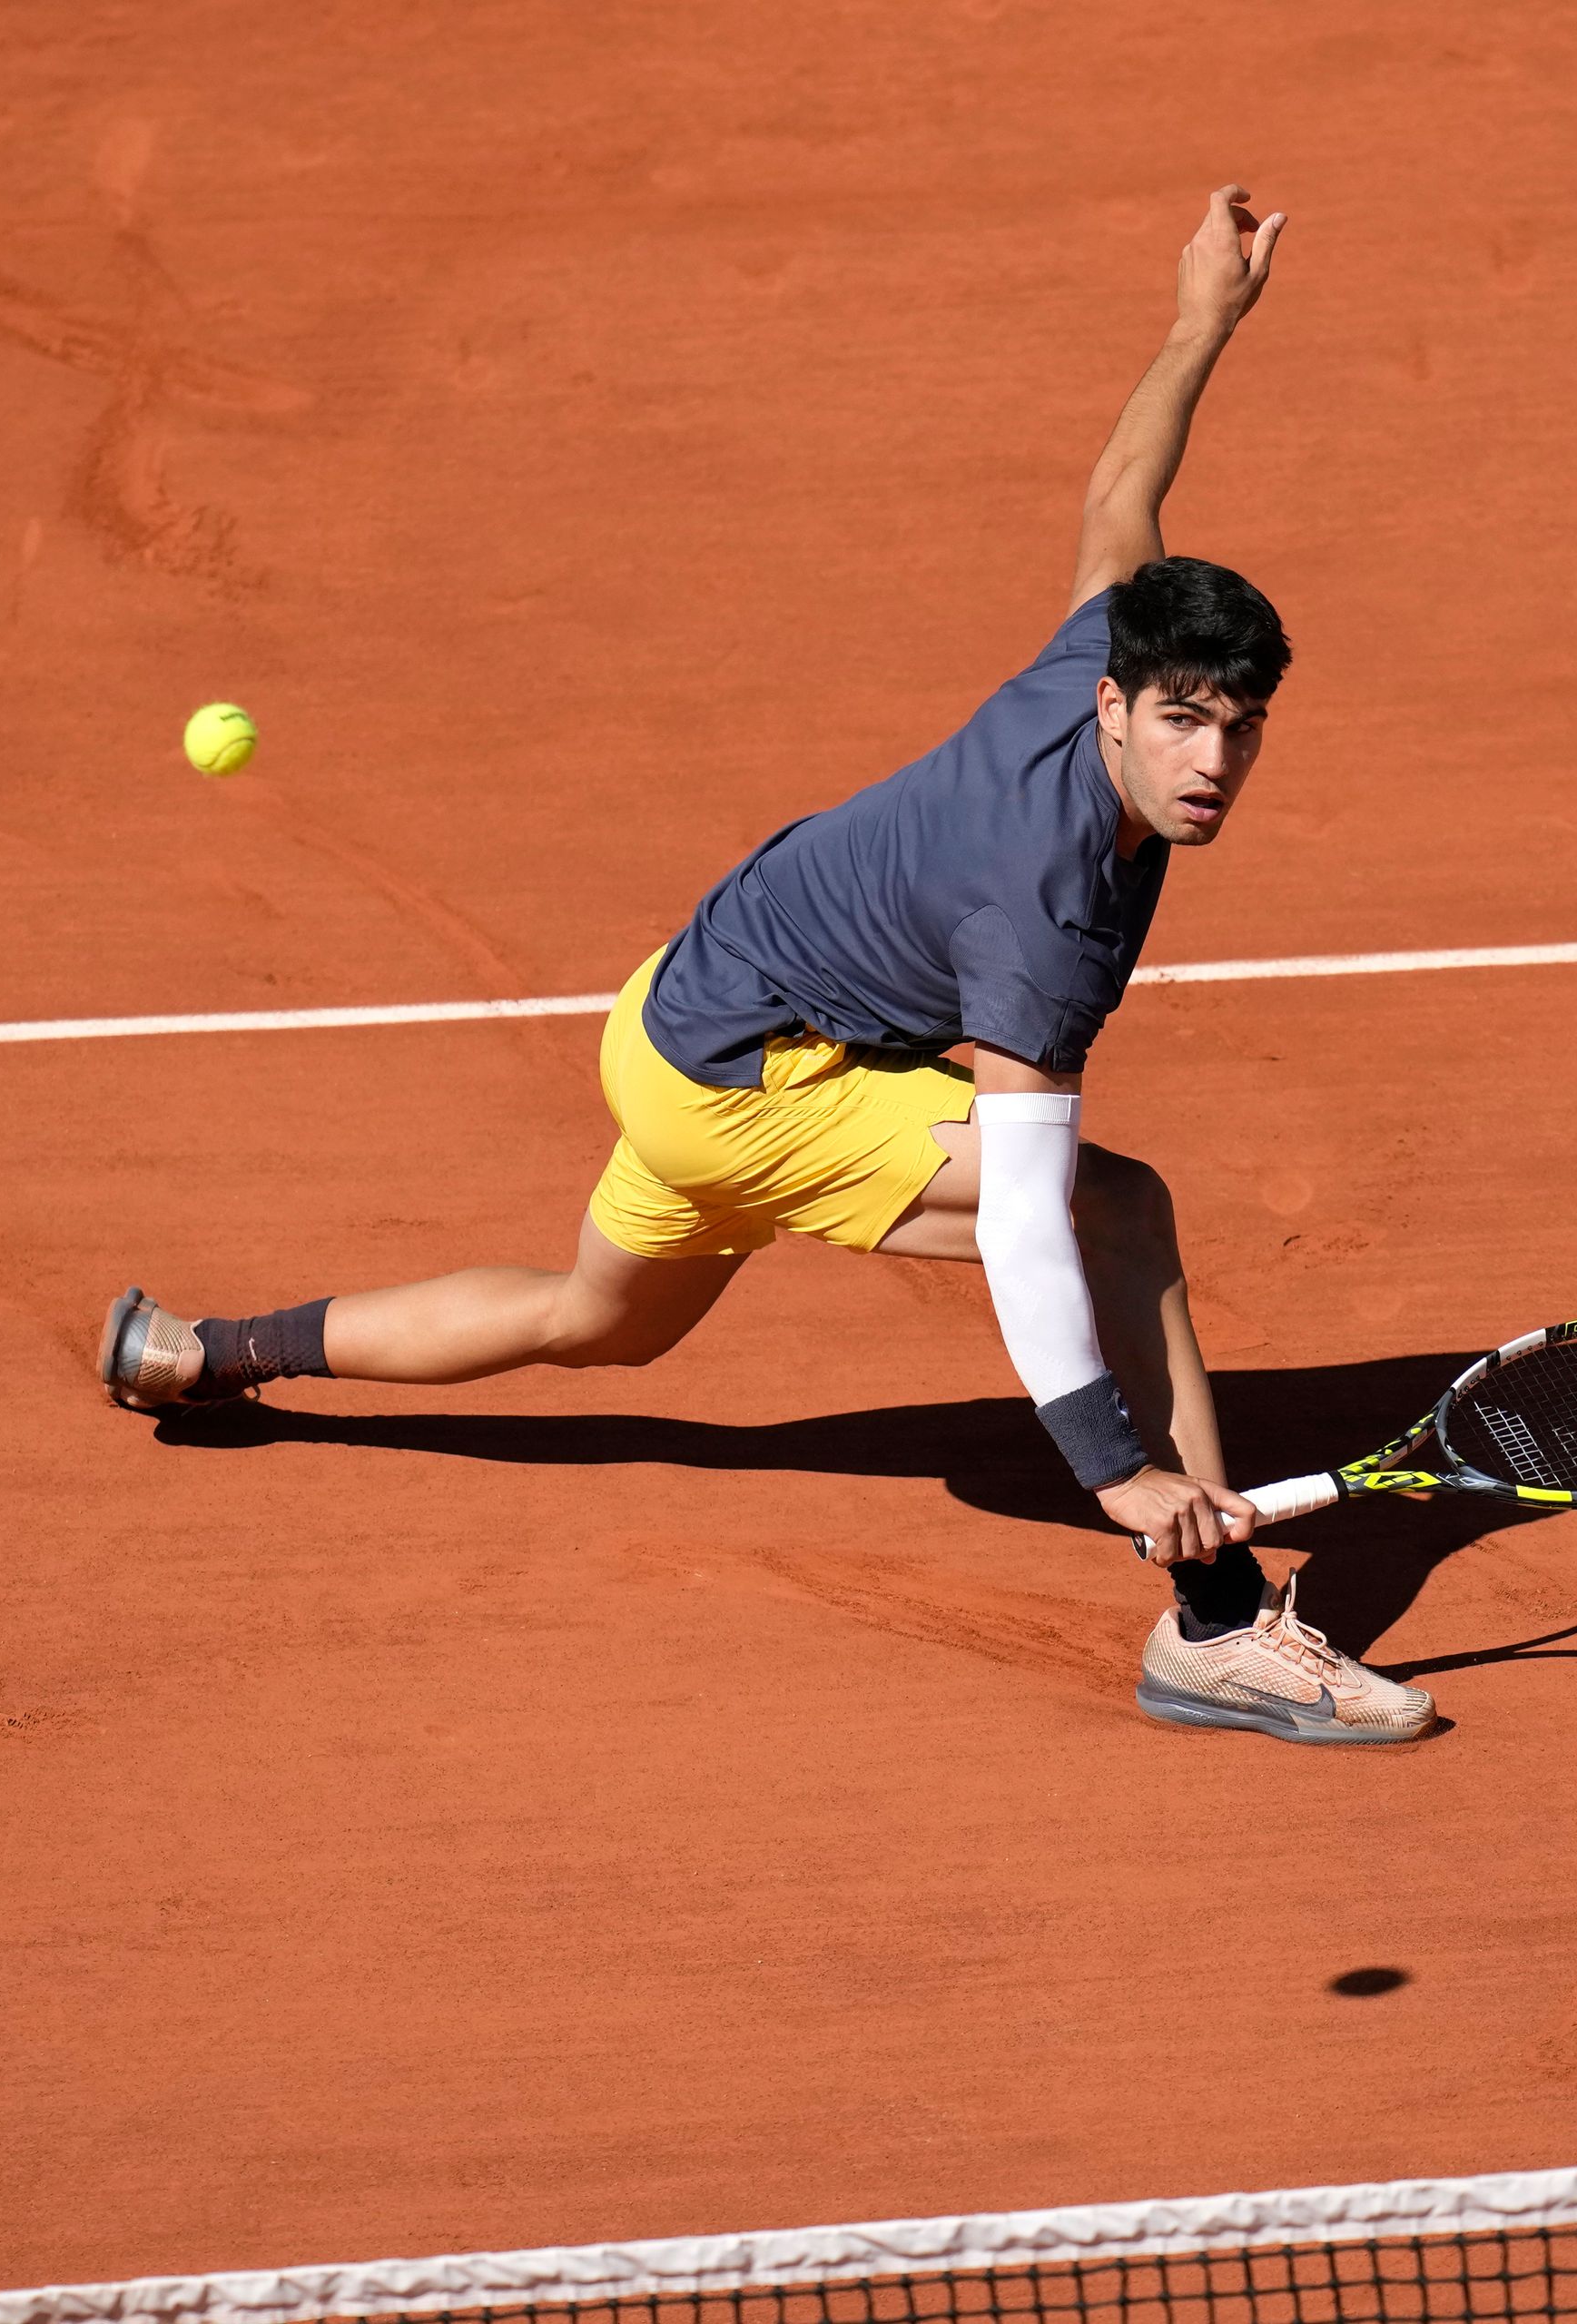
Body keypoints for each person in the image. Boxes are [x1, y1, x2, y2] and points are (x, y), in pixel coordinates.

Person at [102, 186, 1431, 1745]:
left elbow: (1121, 491)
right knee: (1116, 1211)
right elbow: (1026, 1219)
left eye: (1242, 727)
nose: (1213, 761)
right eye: (1185, 722)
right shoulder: (1045, 915)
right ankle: (1220, 1624)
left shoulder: (1101, 643)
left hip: (685, 1015)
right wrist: (1119, 1470)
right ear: (1120, 713)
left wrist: (1206, 312)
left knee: (595, 1324)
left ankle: (199, 1355)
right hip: (756, 1084)